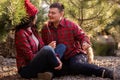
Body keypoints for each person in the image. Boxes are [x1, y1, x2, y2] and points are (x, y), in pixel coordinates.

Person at [41, 2, 119, 80]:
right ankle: (59, 71)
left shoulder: (71, 25)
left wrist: (85, 43)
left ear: (61, 14)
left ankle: (106, 72)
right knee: (57, 67)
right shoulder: (46, 28)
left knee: (76, 65)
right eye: (49, 12)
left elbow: (83, 36)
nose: (50, 15)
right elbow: (43, 45)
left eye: (53, 13)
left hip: (75, 54)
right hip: (59, 58)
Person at [15, 0, 66, 80]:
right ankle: (58, 69)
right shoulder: (21, 33)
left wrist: (52, 53)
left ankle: (50, 71)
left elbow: (42, 46)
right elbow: (30, 57)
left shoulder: (33, 29)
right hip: (27, 69)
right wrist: (47, 51)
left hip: (38, 63)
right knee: (47, 49)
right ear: (31, 17)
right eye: (36, 15)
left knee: (61, 46)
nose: (37, 17)